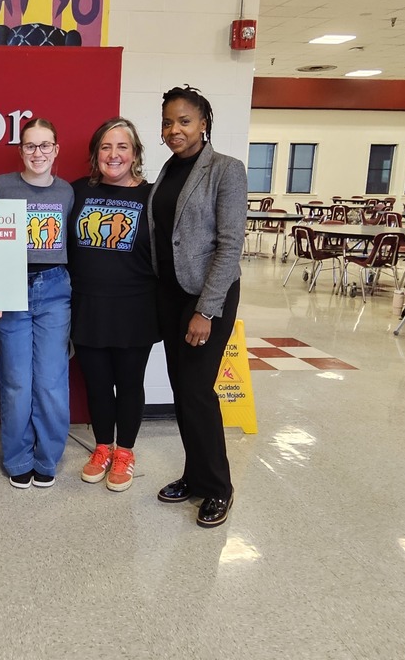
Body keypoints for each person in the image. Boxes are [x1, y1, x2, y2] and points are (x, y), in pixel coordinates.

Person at [147, 85, 247, 528]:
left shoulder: (226, 170)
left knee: (197, 391)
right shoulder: (168, 171)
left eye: (184, 121)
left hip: (207, 296)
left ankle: (218, 487)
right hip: (170, 294)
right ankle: (193, 474)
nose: (174, 129)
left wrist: (205, 311)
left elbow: (229, 245)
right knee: (181, 389)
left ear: (204, 123)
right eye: (168, 122)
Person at [68, 118, 160, 493]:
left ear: (135, 153)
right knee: (98, 384)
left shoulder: (154, 196)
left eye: (122, 147)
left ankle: (125, 451)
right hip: (87, 306)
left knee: (129, 383)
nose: (114, 155)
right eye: (106, 147)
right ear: (95, 154)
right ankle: (102, 446)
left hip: (135, 308)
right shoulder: (76, 192)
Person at [0, 118, 74, 488]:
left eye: (44, 145)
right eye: (29, 146)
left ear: (56, 149)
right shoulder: (1, 188)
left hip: (54, 287)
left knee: (51, 380)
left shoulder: (68, 192)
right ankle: (18, 456)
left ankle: (48, 456)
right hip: (11, 288)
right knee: (16, 381)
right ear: (20, 150)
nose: (37, 153)